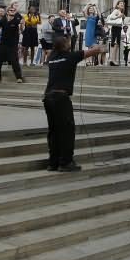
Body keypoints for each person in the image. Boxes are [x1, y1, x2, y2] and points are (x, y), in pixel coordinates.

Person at [43, 35, 105, 171]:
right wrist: (96, 43)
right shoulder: (71, 57)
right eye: (68, 42)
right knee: (66, 130)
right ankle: (65, 162)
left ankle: (53, 162)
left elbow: (56, 49)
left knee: (53, 131)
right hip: (61, 98)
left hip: (48, 97)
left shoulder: (51, 57)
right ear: (66, 46)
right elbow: (97, 50)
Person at [0, 4, 24, 82]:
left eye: (14, 10)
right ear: (7, 12)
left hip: (13, 45)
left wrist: (22, 24)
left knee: (14, 61)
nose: (13, 11)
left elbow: (21, 30)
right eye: (11, 10)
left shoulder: (17, 20)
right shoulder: (2, 20)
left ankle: (19, 77)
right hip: (3, 44)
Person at [106, 0, 126, 66]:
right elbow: (111, 17)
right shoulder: (116, 11)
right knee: (114, 43)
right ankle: (112, 60)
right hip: (115, 28)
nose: (122, 4)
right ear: (117, 5)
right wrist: (118, 16)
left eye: (122, 4)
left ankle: (113, 59)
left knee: (116, 44)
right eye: (120, 4)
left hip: (118, 28)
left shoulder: (120, 12)